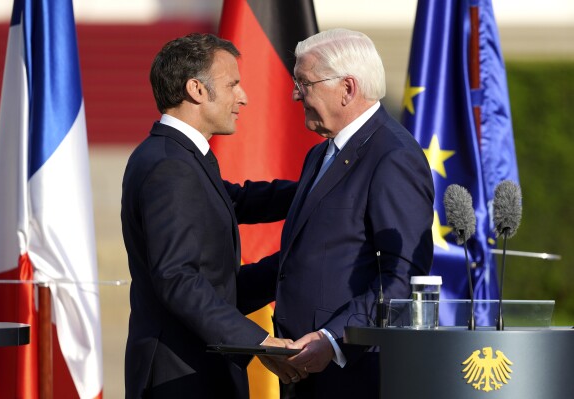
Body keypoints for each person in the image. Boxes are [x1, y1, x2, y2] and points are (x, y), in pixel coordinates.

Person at [121, 33, 298, 399]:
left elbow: (238, 201)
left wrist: (317, 190)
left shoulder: (179, 156)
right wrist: (260, 341)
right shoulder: (170, 165)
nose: (243, 96)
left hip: (194, 368)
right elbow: (177, 277)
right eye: (232, 84)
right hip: (182, 376)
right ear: (196, 89)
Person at [272, 28, 435, 398]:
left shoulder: (393, 157)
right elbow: (305, 259)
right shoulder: (321, 153)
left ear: (347, 88)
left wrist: (333, 339)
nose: (295, 94)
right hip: (303, 369)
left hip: (353, 373)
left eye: (304, 82)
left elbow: (402, 278)